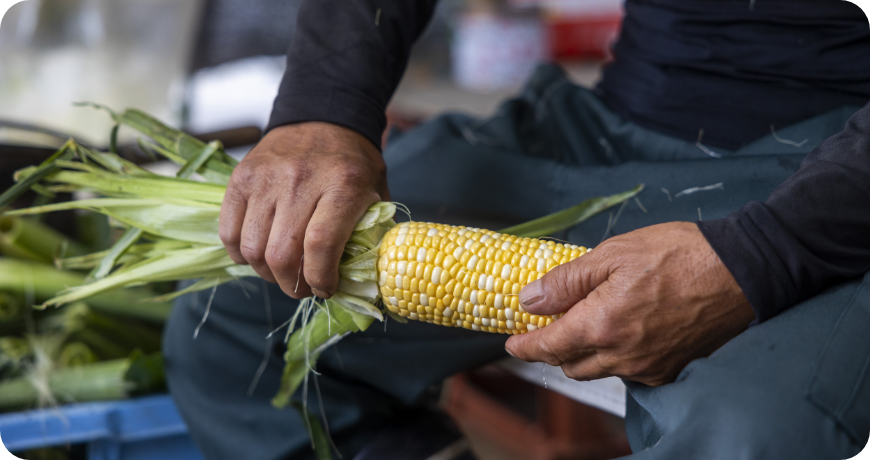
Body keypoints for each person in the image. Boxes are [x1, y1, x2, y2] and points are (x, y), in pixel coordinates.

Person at [162, 1, 870, 459]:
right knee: (238, 325)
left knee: (757, 431)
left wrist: (767, 252)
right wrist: (321, 107)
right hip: (615, 126)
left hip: (837, 182)